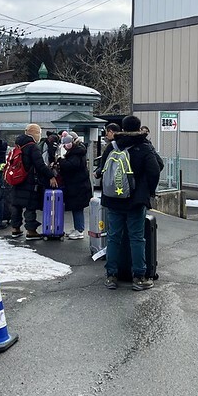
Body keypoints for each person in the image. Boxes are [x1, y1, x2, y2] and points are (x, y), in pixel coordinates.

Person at [101, 115, 161, 291]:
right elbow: (156, 169)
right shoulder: (143, 146)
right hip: (135, 200)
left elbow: (103, 167)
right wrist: (148, 190)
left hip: (113, 198)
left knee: (113, 237)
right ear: (139, 127)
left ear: (122, 128)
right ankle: (139, 277)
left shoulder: (113, 146)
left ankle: (111, 275)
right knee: (136, 238)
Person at [9, 123, 58, 240]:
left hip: (17, 179)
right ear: (35, 133)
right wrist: (51, 176)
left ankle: (15, 229)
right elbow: (40, 165)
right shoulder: (32, 146)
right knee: (30, 206)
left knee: (16, 205)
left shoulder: (18, 145)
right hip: (29, 181)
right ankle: (31, 231)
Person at [56, 131, 91, 240]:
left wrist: (60, 160)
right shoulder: (78, 151)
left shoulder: (75, 154)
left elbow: (71, 166)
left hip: (78, 186)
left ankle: (79, 230)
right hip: (78, 185)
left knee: (77, 208)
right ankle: (77, 228)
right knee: (76, 208)